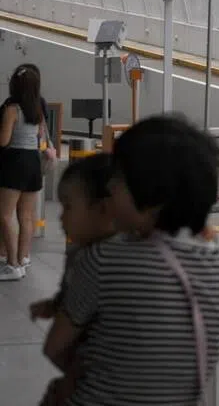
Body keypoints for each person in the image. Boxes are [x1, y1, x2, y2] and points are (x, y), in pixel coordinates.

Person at [42, 114, 219, 406]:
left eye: (119, 179)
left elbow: (55, 347)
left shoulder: (104, 260)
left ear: (153, 196)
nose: (108, 188)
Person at [28, 154, 116, 406]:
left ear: (103, 209)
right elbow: (73, 293)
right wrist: (56, 304)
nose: (61, 217)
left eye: (68, 206)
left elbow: (54, 348)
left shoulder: (91, 259)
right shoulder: (79, 252)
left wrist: (78, 374)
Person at [0, 63, 51, 279]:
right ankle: (22, 260)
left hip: (15, 162)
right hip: (33, 162)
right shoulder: (38, 108)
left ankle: (11, 265)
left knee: (6, 214)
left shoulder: (12, 109)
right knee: (27, 215)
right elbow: (41, 136)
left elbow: (3, 141)